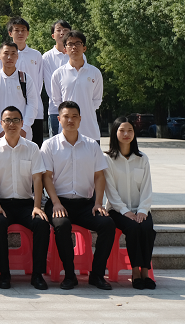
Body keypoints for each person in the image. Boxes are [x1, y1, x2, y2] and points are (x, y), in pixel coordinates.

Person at [41, 101, 115, 290]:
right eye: (66, 116)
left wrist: (98, 203)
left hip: (86, 205)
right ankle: (69, 275)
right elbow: (46, 177)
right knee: (62, 224)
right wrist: (56, 203)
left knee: (107, 224)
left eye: (74, 116)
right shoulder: (49, 145)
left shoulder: (91, 145)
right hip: (58, 202)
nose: (70, 120)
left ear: (80, 119)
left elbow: (99, 176)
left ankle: (97, 275)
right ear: (59, 119)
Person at [0, 106, 50, 290]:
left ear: (22, 123)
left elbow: (37, 178)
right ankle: (4, 275)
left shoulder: (32, 148)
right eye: (7, 120)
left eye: (15, 120)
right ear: (1, 123)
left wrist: (37, 206)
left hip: (26, 204)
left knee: (42, 224)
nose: (11, 124)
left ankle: (37, 275)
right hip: (1, 203)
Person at [104, 116, 156, 289]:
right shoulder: (108, 159)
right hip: (117, 210)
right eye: (122, 130)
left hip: (139, 209)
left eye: (130, 130)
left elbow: (147, 188)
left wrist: (142, 210)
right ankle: (135, 272)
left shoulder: (142, 158)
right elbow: (110, 190)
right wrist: (125, 211)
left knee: (147, 228)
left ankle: (145, 272)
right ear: (115, 133)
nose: (126, 134)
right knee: (133, 228)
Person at [49, 30, 104, 142]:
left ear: (84, 48)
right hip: (66, 132)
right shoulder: (58, 74)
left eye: (78, 43)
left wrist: (85, 110)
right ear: (65, 50)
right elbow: (57, 101)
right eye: (70, 44)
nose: (74, 47)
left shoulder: (95, 72)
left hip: (90, 131)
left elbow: (97, 101)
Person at [0, 18, 43, 145]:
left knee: (33, 147)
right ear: (10, 33)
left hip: (33, 109)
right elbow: (0, 80)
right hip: (7, 109)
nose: (20, 33)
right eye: (17, 30)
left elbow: (39, 83)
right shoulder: (2, 55)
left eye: (23, 30)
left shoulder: (36, 55)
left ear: (28, 33)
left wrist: (31, 101)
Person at [0, 41, 40, 140]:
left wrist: (24, 128)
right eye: (6, 53)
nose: (9, 57)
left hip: (23, 135)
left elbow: (33, 105)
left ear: (17, 56)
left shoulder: (26, 79)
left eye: (13, 54)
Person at [41, 20, 77, 136]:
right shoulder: (47, 57)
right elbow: (49, 86)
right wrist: (63, 107)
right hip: (55, 110)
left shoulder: (78, 55)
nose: (62, 33)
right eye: (59, 30)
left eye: (65, 30)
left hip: (76, 109)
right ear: (53, 35)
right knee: (56, 144)